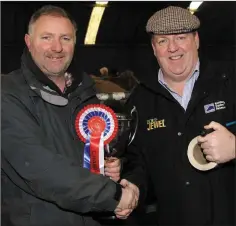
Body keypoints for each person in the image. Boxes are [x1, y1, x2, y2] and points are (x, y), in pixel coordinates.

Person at [1, 5, 145, 226]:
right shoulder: (8, 94)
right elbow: (40, 168)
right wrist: (113, 195)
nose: (56, 47)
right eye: (46, 37)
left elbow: (88, 154)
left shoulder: (85, 93)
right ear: (29, 42)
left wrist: (108, 166)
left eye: (65, 38)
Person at [126, 6, 235, 226]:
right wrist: (133, 186)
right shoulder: (141, 99)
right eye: (163, 41)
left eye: (181, 37)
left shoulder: (229, 82)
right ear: (154, 48)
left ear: (196, 40)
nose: (173, 48)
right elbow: (137, 161)